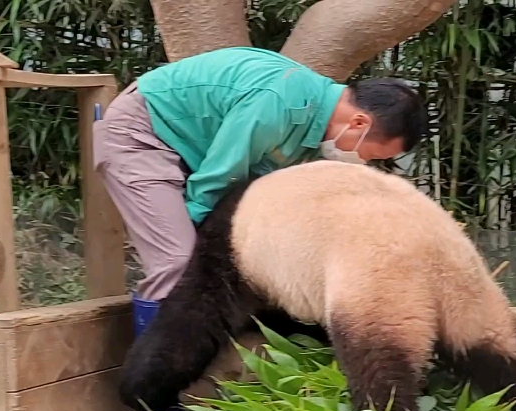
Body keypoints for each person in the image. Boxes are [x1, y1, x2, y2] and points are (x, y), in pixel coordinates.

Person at [92, 46, 429, 335]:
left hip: (192, 149)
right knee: (178, 261)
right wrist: (199, 242)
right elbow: (218, 177)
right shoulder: (280, 102)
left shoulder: (317, 130)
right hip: (143, 134)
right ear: (358, 124)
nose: (363, 163)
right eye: (371, 155)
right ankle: (152, 392)